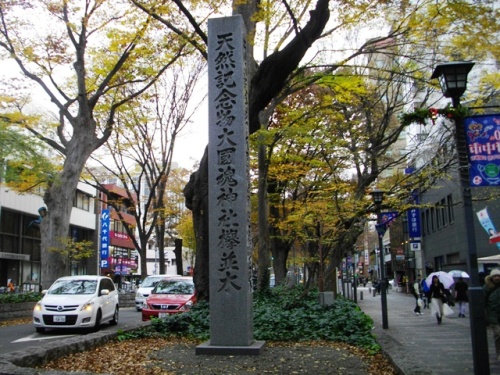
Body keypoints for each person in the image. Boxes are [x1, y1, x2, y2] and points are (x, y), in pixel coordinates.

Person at [483, 268, 500, 361]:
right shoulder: (487, 287)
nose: (497, 278)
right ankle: (499, 352)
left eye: (498, 276)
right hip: (492, 314)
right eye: (495, 276)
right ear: (491, 277)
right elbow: (482, 300)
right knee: (498, 333)